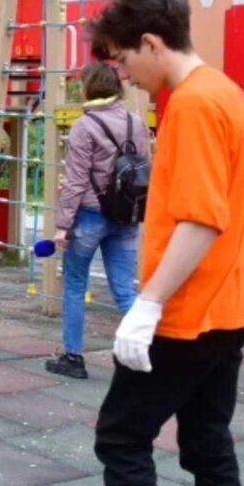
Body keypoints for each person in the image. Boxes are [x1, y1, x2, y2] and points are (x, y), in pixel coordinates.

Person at [53, 0, 244, 486]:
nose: (124, 76)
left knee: (120, 436)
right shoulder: (225, 93)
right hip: (231, 302)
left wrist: (147, 304)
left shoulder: (197, 105)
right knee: (208, 446)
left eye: (121, 60)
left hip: (190, 312)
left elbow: (200, 220)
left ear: (150, 41)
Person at [46, 61, 150, 380]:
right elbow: (144, 168)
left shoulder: (85, 126)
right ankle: (155, 352)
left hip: (91, 215)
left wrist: (63, 225)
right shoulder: (136, 122)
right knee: (123, 289)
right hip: (127, 215)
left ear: (89, 89)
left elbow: (76, 180)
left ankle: (73, 357)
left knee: (76, 285)